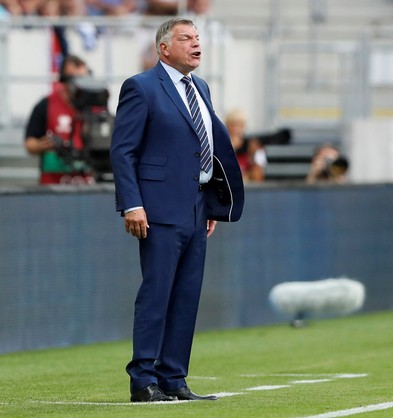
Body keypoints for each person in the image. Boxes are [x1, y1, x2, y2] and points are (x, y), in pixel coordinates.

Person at [109, 17, 244, 403]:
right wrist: (132, 203)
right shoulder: (141, 87)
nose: (196, 44)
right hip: (158, 208)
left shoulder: (200, 86)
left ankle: (174, 377)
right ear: (163, 48)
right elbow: (123, 150)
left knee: (186, 294)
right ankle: (143, 379)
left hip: (197, 206)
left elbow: (205, 148)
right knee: (157, 291)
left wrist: (212, 200)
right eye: (186, 38)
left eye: (198, 38)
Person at [24, 55, 95, 185]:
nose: (80, 84)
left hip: (89, 182)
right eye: (74, 78)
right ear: (63, 79)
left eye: (84, 77)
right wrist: (42, 145)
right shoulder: (46, 104)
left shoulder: (96, 106)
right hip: (53, 185)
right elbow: (29, 143)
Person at [225, 109, 267, 182]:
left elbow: (258, 177)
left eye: (239, 125)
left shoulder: (251, 146)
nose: (235, 129)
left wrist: (253, 155)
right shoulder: (222, 146)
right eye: (232, 125)